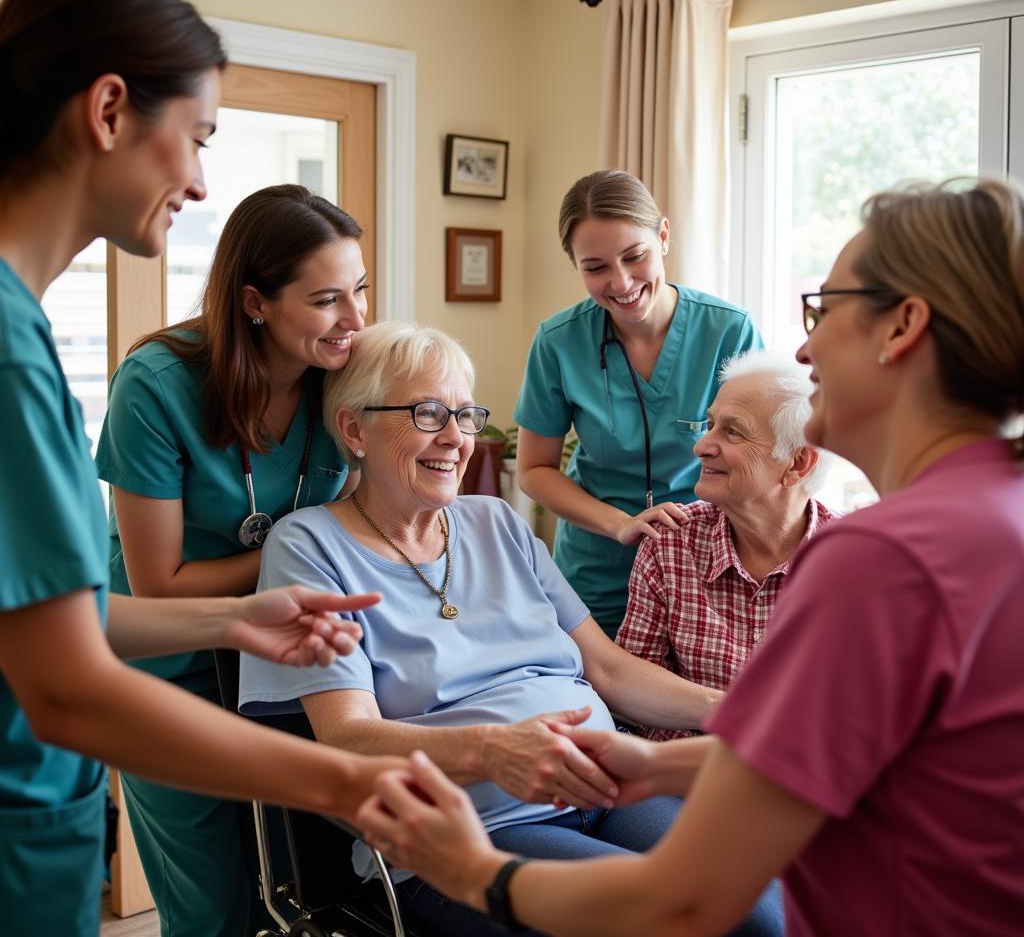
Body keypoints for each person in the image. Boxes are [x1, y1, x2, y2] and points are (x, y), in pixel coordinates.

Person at [357, 177, 1024, 936]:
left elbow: (684, 902)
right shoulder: (997, 512)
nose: (803, 346)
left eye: (825, 310)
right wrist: (653, 766)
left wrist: (469, 871)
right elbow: (841, 766)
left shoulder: (876, 559)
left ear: (902, 326)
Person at [0, 0, 403, 937]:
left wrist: (234, 623)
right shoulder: (55, 361)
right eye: (198, 135)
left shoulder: (23, 327)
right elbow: (69, 686)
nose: (198, 176)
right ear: (107, 112)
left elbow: (72, 620)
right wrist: (357, 779)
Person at [239, 320, 783, 937]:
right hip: (473, 831)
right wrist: (495, 752)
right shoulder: (310, 545)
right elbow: (346, 738)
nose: (456, 438)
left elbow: (606, 669)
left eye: (466, 415)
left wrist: (737, 711)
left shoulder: (494, 521)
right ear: (354, 429)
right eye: (426, 413)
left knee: (762, 914)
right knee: (665, 918)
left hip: (604, 788)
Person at [94, 183, 369, 936]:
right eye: (326, 300)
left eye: (360, 290)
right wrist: (297, 553)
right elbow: (159, 586)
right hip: (170, 670)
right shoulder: (156, 385)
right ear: (255, 302)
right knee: (217, 908)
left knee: (302, 894)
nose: (354, 321)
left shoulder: (344, 377)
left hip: (288, 665)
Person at [514, 170, 762, 636]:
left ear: (663, 236)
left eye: (634, 256)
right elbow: (534, 469)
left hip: (704, 564)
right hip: (598, 572)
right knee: (601, 701)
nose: (621, 282)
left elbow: (760, 453)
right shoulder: (559, 342)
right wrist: (620, 524)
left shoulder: (729, 331)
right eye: (596, 267)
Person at [618, 348, 837, 740]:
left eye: (733, 431)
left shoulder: (855, 565)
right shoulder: (670, 544)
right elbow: (633, 694)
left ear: (798, 463)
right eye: (711, 424)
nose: (701, 446)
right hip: (679, 777)